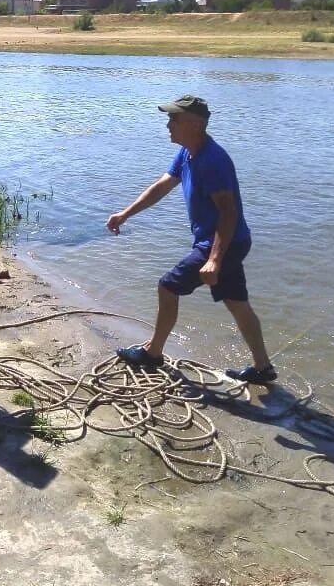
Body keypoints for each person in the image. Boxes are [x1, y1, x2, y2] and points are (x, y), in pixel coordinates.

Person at [106, 95, 276, 384]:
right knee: (237, 302)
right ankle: (263, 369)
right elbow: (162, 186)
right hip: (228, 242)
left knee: (168, 286)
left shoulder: (213, 160)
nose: (168, 124)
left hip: (222, 242)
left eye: (174, 119)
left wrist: (213, 259)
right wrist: (126, 213)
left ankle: (153, 353)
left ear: (195, 125)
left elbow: (228, 213)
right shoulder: (188, 152)